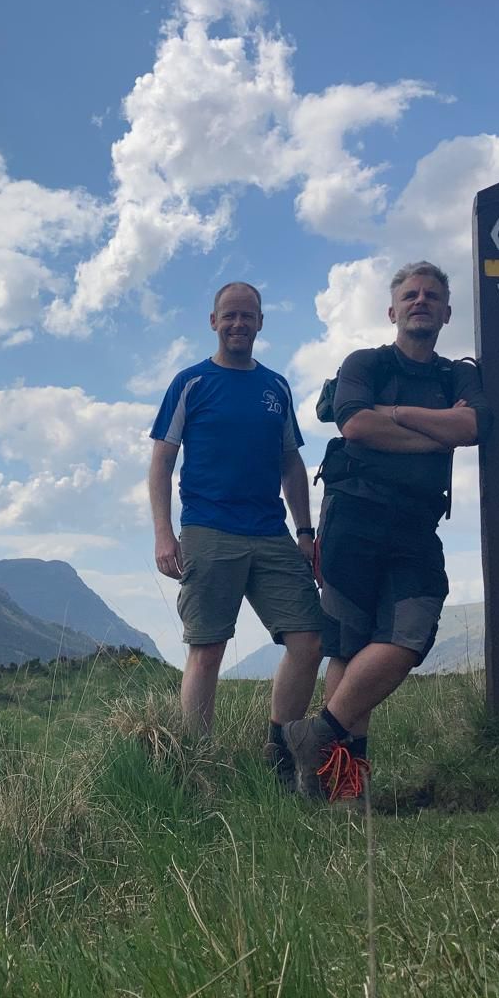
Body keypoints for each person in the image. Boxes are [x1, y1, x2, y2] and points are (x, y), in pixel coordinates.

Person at [281, 262, 489, 800]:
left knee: (408, 636)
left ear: (446, 312)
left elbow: (472, 427)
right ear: (392, 310)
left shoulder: (459, 375)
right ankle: (344, 791)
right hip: (352, 516)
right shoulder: (364, 363)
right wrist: (432, 430)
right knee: (348, 649)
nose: (421, 301)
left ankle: (316, 735)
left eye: (433, 296)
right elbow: (355, 424)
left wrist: (392, 417)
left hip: (417, 524)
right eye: (411, 295)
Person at [149, 282, 324, 763]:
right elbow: (162, 461)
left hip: (271, 532)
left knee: (309, 640)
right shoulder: (191, 383)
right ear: (213, 322)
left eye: (248, 316)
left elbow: (291, 463)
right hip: (207, 530)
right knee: (207, 649)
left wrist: (305, 533)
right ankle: (198, 761)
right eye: (229, 315)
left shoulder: (276, 387)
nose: (238, 323)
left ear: (261, 323)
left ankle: (280, 750)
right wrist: (165, 533)